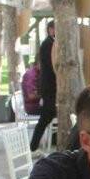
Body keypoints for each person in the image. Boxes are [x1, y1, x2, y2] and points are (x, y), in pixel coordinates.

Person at [30, 21, 57, 152]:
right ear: (50, 29)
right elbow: (51, 65)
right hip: (49, 85)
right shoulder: (48, 44)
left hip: (50, 85)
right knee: (46, 116)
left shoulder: (51, 43)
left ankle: (36, 145)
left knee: (48, 116)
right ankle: (33, 146)